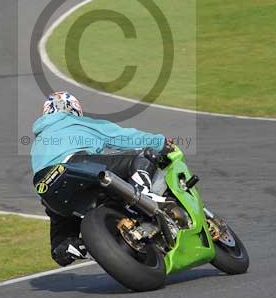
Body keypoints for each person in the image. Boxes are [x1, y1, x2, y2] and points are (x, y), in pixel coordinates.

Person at [30, 91, 174, 267]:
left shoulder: (38, 142)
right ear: (74, 109)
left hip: (48, 191)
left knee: (60, 249)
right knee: (143, 156)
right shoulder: (75, 121)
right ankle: (144, 195)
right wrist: (160, 142)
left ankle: (77, 247)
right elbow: (121, 137)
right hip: (74, 166)